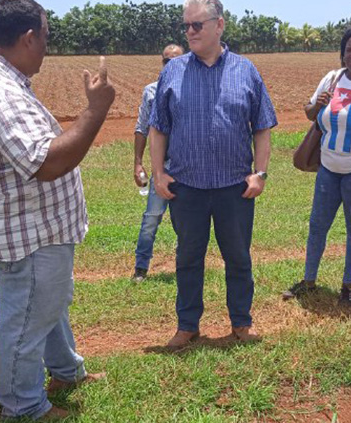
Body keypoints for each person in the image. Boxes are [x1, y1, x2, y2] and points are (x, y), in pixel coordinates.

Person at [0, 0, 114, 419]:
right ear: (27, 38)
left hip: (34, 225)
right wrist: (96, 109)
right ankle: (22, 405)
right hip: (29, 230)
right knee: (25, 321)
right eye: (44, 37)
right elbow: (46, 162)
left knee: (46, 304)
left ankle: (65, 371)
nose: (46, 46)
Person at [149, 0, 277, 348]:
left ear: (219, 25)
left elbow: (262, 127)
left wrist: (260, 173)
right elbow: (158, 128)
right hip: (186, 187)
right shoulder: (172, 72)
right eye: (186, 26)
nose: (189, 32)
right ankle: (187, 324)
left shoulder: (246, 70)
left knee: (238, 257)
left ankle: (241, 322)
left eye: (196, 25)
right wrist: (158, 173)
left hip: (234, 187)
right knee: (188, 258)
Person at [281, 24, 351, 306]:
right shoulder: (333, 78)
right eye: (348, 50)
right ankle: (309, 280)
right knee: (317, 225)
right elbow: (309, 113)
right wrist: (318, 106)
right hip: (328, 167)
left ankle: (347, 288)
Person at [132, 43, 184, 282]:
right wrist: (138, 163)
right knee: (152, 218)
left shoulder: (193, 90)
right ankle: (141, 268)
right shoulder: (151, 91)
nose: (171, 64)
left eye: (176, 59)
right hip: (161, 168)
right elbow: (142, 128)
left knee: (185, 221)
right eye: (166, 60)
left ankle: (185, 266)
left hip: (187, 168)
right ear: (161, 63)